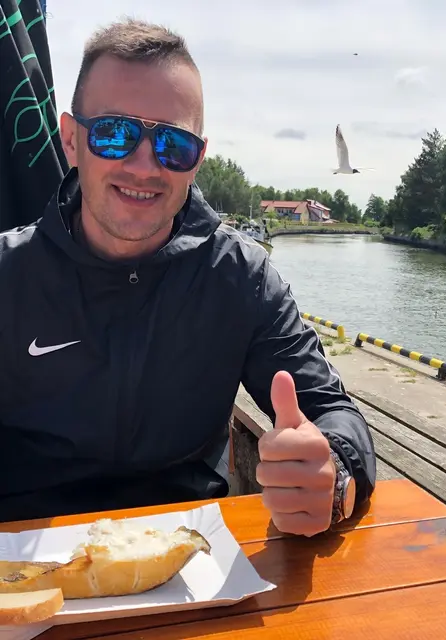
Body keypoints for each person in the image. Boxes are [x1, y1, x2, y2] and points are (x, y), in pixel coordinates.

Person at [0, 18, 376, 534]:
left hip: (188, 553)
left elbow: (332, 411)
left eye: (173, 145)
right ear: (71, 139)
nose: (143, 166)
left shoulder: (239, 278)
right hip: (22, 556)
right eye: (114, 134)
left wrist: (332, 473)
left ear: (196, 159)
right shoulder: (9, 276)